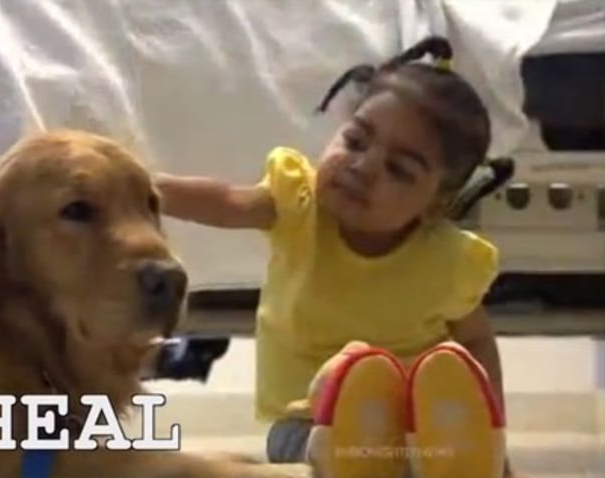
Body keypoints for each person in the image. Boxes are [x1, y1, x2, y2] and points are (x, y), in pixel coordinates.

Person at [155, 36, 522, 477]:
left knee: (429, 455)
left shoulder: (447, 260)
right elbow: (227, 201)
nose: (363, 167)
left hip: (415, 425)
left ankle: (437, 460)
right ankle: (367, 460)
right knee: (321, 449)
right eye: (355, 140)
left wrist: (493, 436)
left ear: (436, 203)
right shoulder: (299, 207)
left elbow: (476, 341)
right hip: (306, 419)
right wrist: (145, 188)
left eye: (398, 169)